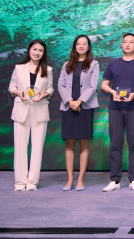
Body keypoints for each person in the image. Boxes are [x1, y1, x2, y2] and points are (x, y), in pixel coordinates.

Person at [100, 33, 134, 192]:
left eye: (131, 42)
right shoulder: (113, 64)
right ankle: (114, 180)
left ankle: (133, 179)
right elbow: (104, 84)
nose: (128, 44)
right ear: (121, 45)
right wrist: (112, 92)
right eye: (125, 42)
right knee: (115, 144)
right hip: (115, 108)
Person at [7, 39, 53, 191]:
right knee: (20, 147)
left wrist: (44, 94)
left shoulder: (48, 70)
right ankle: (20, 182)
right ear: (29, 50)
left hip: (40, 109)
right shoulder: (19, 68)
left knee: (37, 147)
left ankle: (32, 182)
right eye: (35, 49)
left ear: (43, 53)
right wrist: (18, 92)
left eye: (40, 50)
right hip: (22, 109)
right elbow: (12, 86)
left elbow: (50, 88)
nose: (37, 53)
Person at [57, 35, 100, 191]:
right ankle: (70, 180)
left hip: (85, 107)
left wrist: (79, 101)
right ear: (75, 46)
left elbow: (93, 86)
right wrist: (70, 101)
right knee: (69, 142)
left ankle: (81, 179)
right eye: (78, 44)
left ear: (88, 47)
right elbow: (60, 85)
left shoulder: (94, 64)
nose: (81, 46)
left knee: (84, 142)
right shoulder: (66, 64)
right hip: (68, 106)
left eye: (84, 44)